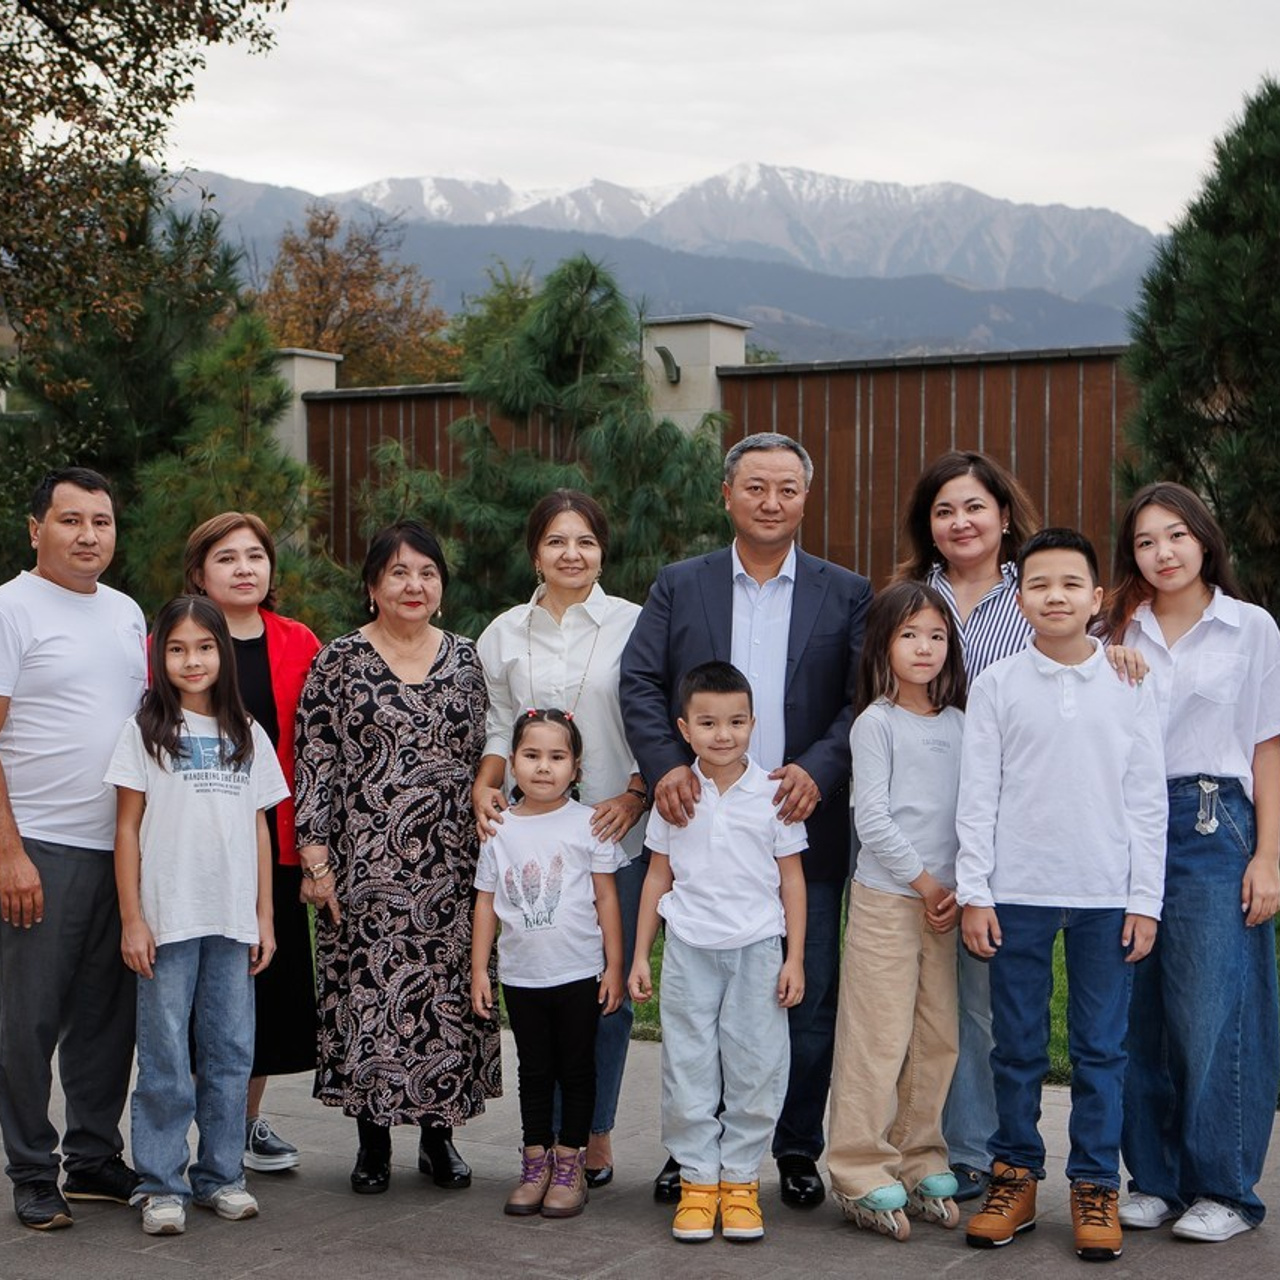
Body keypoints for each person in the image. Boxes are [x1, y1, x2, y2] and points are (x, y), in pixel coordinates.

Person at [620, 431, 871, 1208]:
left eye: (787, 488)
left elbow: (862, 695)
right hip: (698, 823)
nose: (771, 501)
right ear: (726, 495)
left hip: (799, 822)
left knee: (803, 996)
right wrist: (667, 767)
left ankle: (792, 1147)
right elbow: (638, 681)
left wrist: (820, 771)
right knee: (699, 1010)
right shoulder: (680, 584)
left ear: (805, 497)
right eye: (755, 487)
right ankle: (698, 1157)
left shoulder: (846, 591)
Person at [897, 448, 1144, 1203]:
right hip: (941, 821)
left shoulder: (1046, 593)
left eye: (975, 506)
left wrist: (1122, 655)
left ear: (1005, 516)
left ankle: (1034, 1165)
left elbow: (1095, 665)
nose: (960, 520)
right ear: (928, 526)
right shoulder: (911, 599)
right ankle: (960, 1152)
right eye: (943, 510)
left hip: (1043, 833)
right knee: (945, 1004)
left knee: (1015, 1012)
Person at [956, 528, 1167, 1263]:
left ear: (1096, 598)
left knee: (1100, 1049)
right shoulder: (997, 685)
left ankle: (1094, 1185)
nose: (1055, 596)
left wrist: (1147, 899)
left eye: (1071, 584)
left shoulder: (1131, 682)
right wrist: (975, 892)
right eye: (1040, 585)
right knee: (1014, 1048)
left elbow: (1147, 801)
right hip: (1017, 892)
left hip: (1107, 894)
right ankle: (1013, 1175)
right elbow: (977, 797)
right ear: (1021, 600)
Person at [293, 520, 500, 1195]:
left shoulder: (469, 660)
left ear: (441, 586)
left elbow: (491, 758)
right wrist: (316, 858)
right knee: (370, 999)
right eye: (399, 573)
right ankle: (373, 1141)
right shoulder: (340, 660)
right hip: (366, 869)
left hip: (453, 864)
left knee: (445, 1000)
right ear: (372, 587)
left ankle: (440, 1139)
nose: (415, 585)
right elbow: (316, 762)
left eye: (427, 572)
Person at [1104, 482, 1280, 1244]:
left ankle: (1226, 1189)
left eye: (1175, 535)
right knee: (1135, 1008)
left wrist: (1269, 854)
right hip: (1120, 823)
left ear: (1204, 538)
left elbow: (1267, 744)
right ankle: (1155, 1180)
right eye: (1145, 541)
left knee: (1212, 1008)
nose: (1163, 552)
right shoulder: (1115, 628)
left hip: (1214, 819)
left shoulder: (1250, 629)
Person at [473, 491, 644, 1188]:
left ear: (603, 549)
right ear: (534, 551)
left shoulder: (635, 622)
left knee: (607, 995)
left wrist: (637, 794)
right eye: (556, 541)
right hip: (532, 837)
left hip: (612, 832)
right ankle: (544, 1142)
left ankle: (593, 1132)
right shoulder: (504, 633)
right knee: (543, 989)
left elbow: (653, 718)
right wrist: (486, 783)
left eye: (586, 541)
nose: (572, 553)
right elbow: (495, 723)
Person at [107, 596, 288, 1236]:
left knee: (231, 1051)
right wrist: (133, 919)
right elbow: (126, 830)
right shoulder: (145, 731)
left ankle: (221, 1176)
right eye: (178, 649)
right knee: (163, 1057)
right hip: (167, 922)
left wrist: (265, 917)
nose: (192, 660)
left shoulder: (247, 733)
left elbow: (263, 832)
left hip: (232, 921)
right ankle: (160, 1183)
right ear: (160, 657)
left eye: (205, 648)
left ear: (223, 655)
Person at [0, 467, 147, 1230]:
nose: (89, 535)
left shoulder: (126, 614)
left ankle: (92, 1159)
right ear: (36, 529)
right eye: (70, 521)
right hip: (40, 849)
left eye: (102, 520)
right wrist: (8, 852)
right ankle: (30, 1168)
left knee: (104, 1020)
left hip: (118, 851)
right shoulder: (10, 609)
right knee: (26, 1021)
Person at [630, 661, 807, 1243]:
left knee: (757, 1067)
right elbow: (657, 878)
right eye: (708, 723)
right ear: (685, 728)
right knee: (688, 1067)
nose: (723, 734)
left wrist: (795, 957)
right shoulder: (675, 795)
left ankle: (740, 1182)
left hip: (757, 948)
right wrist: (638, 957)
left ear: (754, 723)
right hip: (689, 950)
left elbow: (792, 882)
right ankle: (698, 1182)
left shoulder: (773, 793)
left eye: (735, 721)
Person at [827, 582, 966, 1241]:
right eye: (910, 635)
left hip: (946, 904)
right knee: (877, 1036)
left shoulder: (963, 724)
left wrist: (957, 887)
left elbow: (974, 813)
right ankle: (858, 1165)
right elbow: (872, 817)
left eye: (936, 635)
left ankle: (918, 1157)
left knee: (937, 1037)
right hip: (890, 900)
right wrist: (925, 882)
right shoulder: (876, 722)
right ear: (884, 644)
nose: (924, 647)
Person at [184, 512, 322, 1174]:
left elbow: (320, 748)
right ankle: (196, 1122)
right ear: (199, 574)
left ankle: (242, 1122)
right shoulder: (177, 640)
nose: (244, 568)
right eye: (227, 558)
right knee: (193, 983)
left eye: (255, 556)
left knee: (265, 987)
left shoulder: (299, 641)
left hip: (278, 841)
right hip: (194, 839)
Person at [471, 708, 624, 1219]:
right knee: (534, 1070)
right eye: (531, 756)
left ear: (576, 768)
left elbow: (606, 899)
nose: (543, 767)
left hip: (579, 972)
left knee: (577, 1070)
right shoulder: (500, 828)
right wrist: (479, 971)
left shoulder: (590, 824)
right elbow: (486, 903)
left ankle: (568, 1164)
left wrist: (616, 966)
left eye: (557, 757)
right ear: (511, 763)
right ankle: (534, 1161)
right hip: (522, 976)